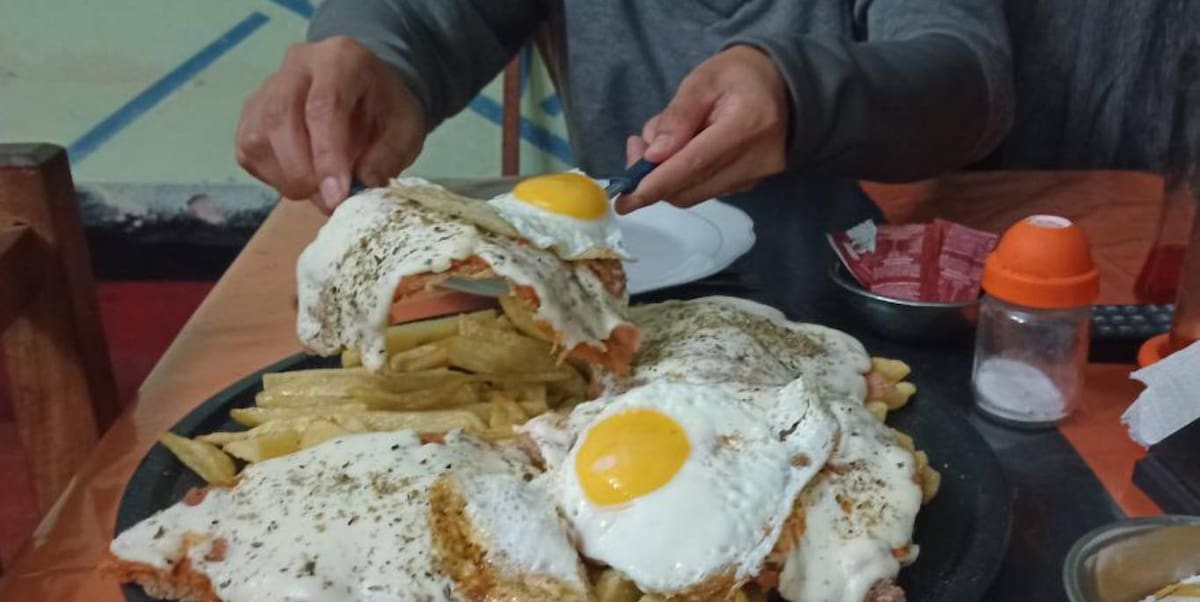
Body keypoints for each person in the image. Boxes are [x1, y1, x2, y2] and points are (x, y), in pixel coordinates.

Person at [235, 1, 1012, 316]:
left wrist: (805, 91)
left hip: (859, 298)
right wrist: (375, 55)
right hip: (606, 302)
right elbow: (427, 13)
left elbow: (966, 75)